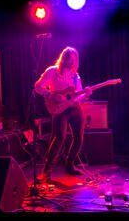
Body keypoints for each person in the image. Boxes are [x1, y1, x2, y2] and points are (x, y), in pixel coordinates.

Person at [35, 46, 92, 182]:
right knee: (59, 137)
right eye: (70, 59)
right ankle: (46, 171)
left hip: (73, 107)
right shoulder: (52, 71)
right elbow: (38, 86)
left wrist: (86, 95)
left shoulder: (75, 76)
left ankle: (70, 165)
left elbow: (77, 96)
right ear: (64, 58)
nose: (72, 62)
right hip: (59, 108)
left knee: (79, 137)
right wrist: (51, 95)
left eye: (74, 60)